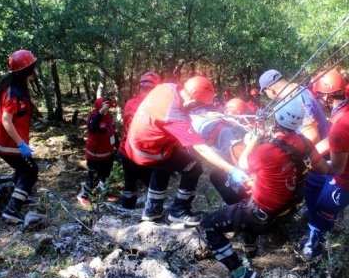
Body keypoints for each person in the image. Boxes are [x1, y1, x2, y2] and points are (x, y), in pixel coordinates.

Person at [198, 98, 330, 278]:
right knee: (246, 195)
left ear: (276, 121)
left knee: (208, 225)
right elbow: (322, 168)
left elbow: (242, 164)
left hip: (261, 216)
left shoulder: (266, 151)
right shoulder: (304, 143)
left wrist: (252, 143)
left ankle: (240, 275)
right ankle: (250, 248)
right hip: (286, 210)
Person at [125, 76, 249, 226]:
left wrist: (205, 115)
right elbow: (201, 148)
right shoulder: (173, 115)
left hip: (136, 144)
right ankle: (179, 211)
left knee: (164, 167)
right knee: (193, 166)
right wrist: (231, 169)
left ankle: (152, 211)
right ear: (192, 100)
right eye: (198, 105)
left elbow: (181, 111)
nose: (197, 107)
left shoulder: (169, 87)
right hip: (151, 150)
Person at [303, 68, 349, 259]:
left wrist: (310, 159)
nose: (317, 101)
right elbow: (331, 141)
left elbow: (335, 170)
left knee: (319, 218)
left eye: (318, 97)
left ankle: (314, 244)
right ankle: (320, 213)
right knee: (312, 181)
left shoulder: (341, 126)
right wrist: (310, 150)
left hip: (347, 184)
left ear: (326, 97)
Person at [0, 49, 39, 223]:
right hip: (6, 141)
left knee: (22, 168)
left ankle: (21, 195)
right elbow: (6, 120)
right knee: (31, 171)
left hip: (3, 140)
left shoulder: (15, 85)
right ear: (26, 70)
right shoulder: (13, 91)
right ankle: (12, 209)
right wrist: (20, 143)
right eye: (32, 68)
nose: (34, 71)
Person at [116, 71, 160, 209]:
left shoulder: (130, 103)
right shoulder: (154, 106)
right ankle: (154, 211)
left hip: (125, 151)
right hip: (140, 154)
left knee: (129, 182)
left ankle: (126, 208)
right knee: (153, 184)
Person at [259, 69, 330, 144]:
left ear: (270, 89)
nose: (266, 95)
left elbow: (313, 139)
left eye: (265, 92)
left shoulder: (297, 100)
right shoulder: (298, 90)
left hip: (320, 152)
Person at [76, 97, 117, 207]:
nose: (106, 109)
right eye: (104, 106)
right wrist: (100, 112)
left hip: (108, 155)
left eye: (107, 107)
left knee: (106, 176)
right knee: (92, 179)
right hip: (95, 157)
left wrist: (117, 148)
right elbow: (93, 127)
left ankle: (104, 193)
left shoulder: (109, 117)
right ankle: (82, 195)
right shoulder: (93, 118)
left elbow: (113, 133)